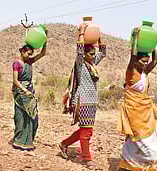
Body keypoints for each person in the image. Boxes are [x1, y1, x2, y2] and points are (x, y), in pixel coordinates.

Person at [58, 23, 106, 170]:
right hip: (83, 100)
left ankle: (64, 143)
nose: (93, 56)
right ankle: (87, 159)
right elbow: (79, 51)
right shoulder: (81, 63)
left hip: (92, 101)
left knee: (87, 130)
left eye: (93, 54)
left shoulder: (91, 63)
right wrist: (82, 32)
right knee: (86, 132)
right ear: (84, 54)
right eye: (91, 54)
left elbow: (103, 52)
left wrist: (100, 38)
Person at [116, 28, 157, 171]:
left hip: (145, 111)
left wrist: (152, 45)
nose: (145, 64)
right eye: (143, 61)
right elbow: (132, 55)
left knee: (148, 139)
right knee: (137, 138)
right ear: (136, 61)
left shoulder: (144, 72)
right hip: (134, 111)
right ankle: (129, 164)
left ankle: (133, 164)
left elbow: (156, 60)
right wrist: (136, 39)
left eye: (146, 61)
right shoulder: (131, 72)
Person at [12, 34, 48, 150]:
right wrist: (24, 90)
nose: (29, 56)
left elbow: (42, 54)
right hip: (20, 92)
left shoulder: (30, 62)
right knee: (20, 116)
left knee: (33, 116)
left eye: (30, 54)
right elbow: (15, 80)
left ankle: (29, 140)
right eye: (28, 53)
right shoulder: (17, 63)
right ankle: (19, 141)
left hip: (29, 91)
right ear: (22, 52)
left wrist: (45, 39)